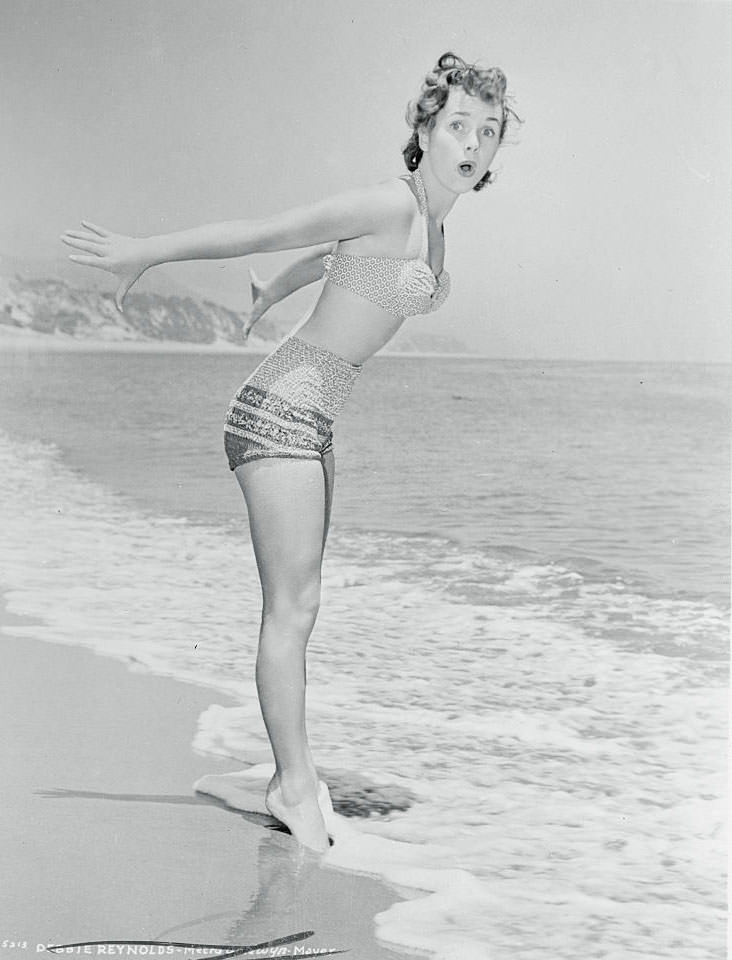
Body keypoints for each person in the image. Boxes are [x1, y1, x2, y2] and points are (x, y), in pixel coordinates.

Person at [61, 52, 517, 854]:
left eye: (487, 130)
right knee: (292, 611)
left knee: (302, 608)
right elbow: (269, 227)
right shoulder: (389, 203)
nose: (472, 141)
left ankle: (287, 772)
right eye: (457, 126)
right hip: (276, 417)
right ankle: (293, 786)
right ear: (424, 129)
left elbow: (334, 260)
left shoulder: (430, 224)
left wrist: (275, 290)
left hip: (311, 423)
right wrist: (148, 250)